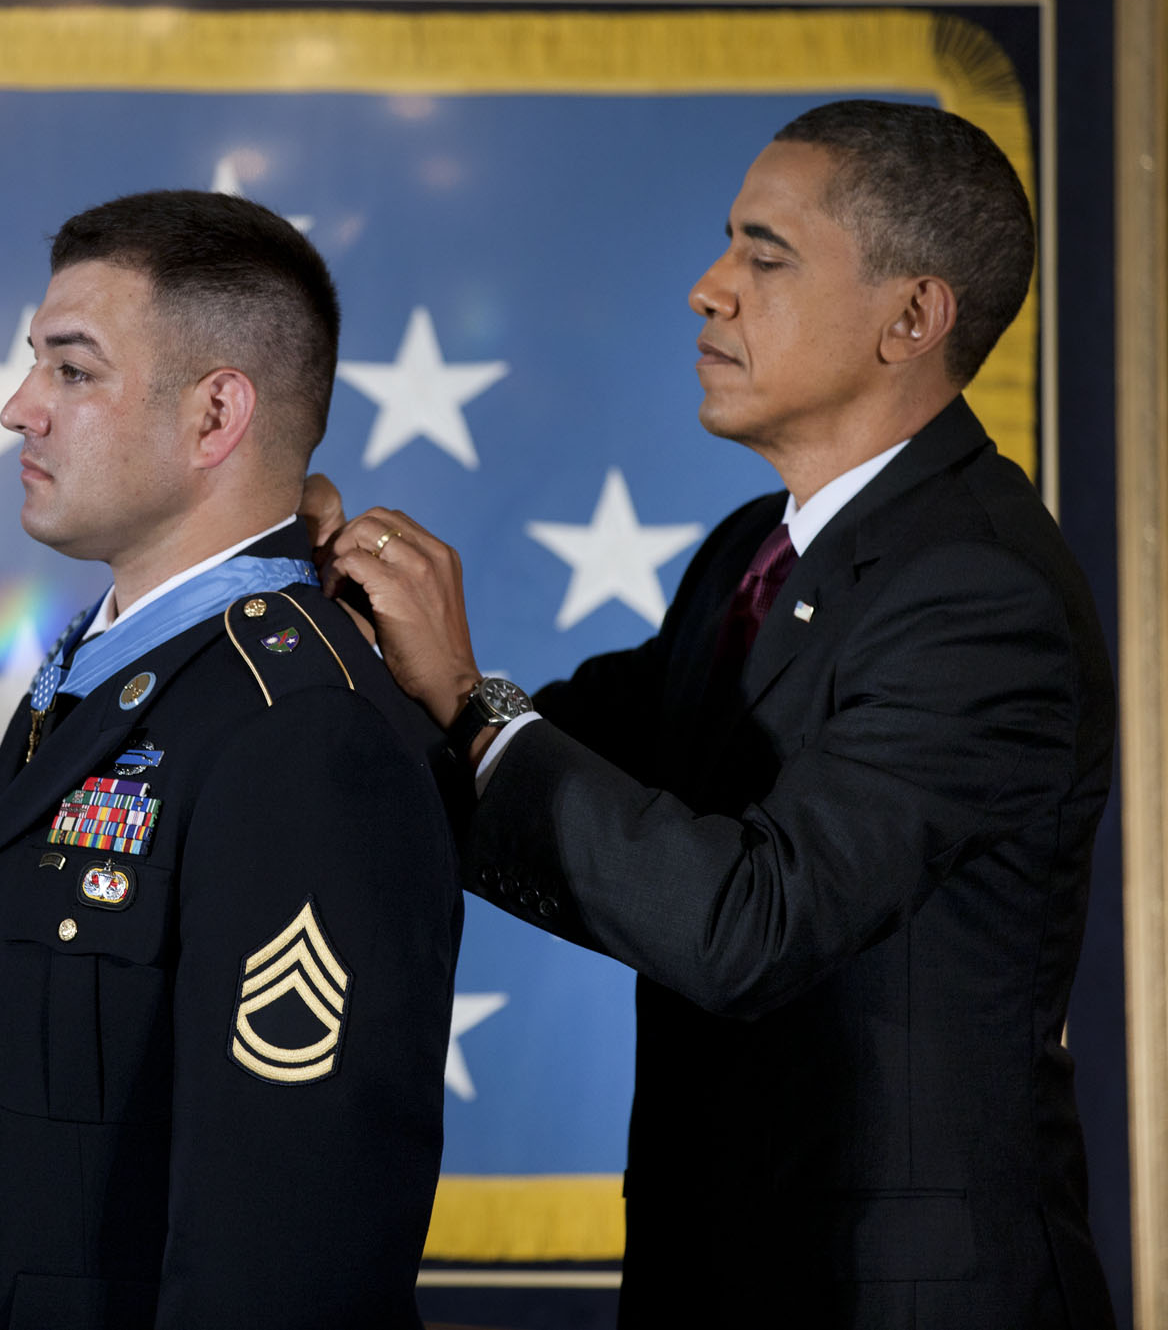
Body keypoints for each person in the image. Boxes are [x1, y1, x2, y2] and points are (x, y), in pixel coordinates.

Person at [310, 100, 1117, 1329]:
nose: (709, 287)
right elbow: (551, 756)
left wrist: (470, 701)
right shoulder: (756, 550)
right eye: (726, 246)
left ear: (915, 316)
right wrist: (327, 620)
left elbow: (749, 924)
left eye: (764, 254)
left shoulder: (977, 593)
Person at [0, 190, 464, 1330]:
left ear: (216, 415)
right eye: (35, 367)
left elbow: (289, 1252)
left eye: (72, 371)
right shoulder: (114, 670)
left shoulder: (299, 731)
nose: (19, 410)